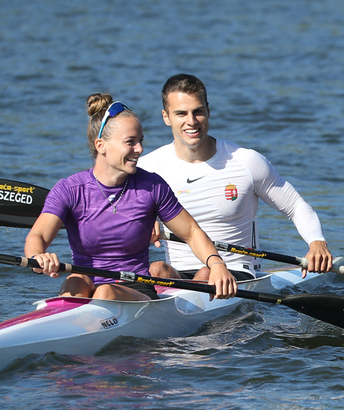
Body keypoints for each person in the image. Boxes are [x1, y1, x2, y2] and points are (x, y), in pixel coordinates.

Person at [25, 94, 238, 302]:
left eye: (140, 141)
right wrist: (38, 257)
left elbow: (191, 233)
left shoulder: (152, 187)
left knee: (105, 292)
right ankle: (68, 321)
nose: (140, 149)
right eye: (130, 142)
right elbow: (39, 237)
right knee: (74, 284)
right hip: (84, 281)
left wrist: (217, 265)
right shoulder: (69, 189)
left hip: (133, 285)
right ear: (101, 146)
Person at [136, 73, 332, 281]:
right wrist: (142, 218)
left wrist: (316, 242)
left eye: (198, 112)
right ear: (166, 117)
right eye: (181, 114)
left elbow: (295, 206)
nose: (191, 121)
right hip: (179, 273)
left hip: (237, 270)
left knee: (206, 272)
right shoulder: (147, 168)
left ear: (208, 111)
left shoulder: (246, 161)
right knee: (156, 269)